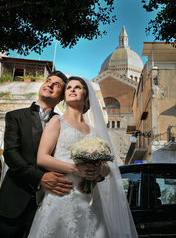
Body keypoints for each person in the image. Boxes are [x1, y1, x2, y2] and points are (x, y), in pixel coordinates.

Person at [28, 77, 138, 238]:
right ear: (64, 96)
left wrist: (98, 171)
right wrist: (75, 169)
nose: (72, 89)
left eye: (77, 87)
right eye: (69, 88)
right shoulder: (56, 121)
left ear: (86, 96)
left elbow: (108, 166)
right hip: (62, 192)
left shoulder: (94, 131)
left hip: (90, 198)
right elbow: (42, 158)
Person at [0, 71, 78, 238]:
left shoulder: (64, 125)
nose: (50, 85)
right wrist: (40, 178)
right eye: (48, 81)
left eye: (57, 85)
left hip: (50, 203)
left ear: (62, 97)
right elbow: (11, 154)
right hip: (13, 202)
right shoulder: (15, 116)